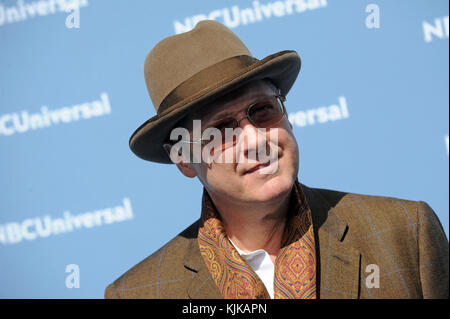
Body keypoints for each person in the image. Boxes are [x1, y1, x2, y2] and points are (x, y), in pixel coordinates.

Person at [105, 20, 448, 299]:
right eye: (221, 130)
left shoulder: (405, 234)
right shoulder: (139, 293)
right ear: (182, 158)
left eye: (263, 111)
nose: (255, 139)